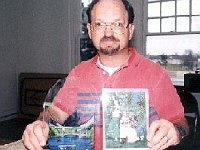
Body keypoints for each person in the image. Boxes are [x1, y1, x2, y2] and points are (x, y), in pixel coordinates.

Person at [22, 0, 189, 150]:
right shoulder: (78, 73)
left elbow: (180, 122)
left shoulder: (156, 74)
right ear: (90, 30)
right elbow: (56, 112)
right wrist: (41, 123)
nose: (108, 33)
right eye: (100, 24)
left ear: (130, 30)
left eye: (117, 24)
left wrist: (174, 131)